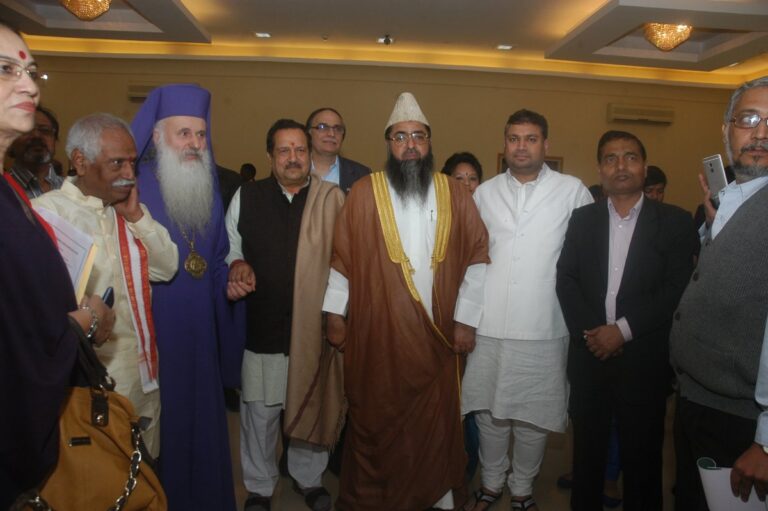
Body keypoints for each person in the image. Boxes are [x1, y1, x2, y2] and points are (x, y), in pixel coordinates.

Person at [323, 92, 489, 510]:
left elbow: (477, 259)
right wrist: (334, 315)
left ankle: (438, 499)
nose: (410, 145)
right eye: (400, 137)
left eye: (418, 136)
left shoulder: (455, 193)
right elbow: (341, 259)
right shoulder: (363, 193)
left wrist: (467, 321)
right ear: (388, 144)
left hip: (439, 334)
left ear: (430, 143)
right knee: (377, 420)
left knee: (438, 426)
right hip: (379, 336)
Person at [0, 21, 114, 509]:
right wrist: (83, 322)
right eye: (6, 69)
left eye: (31, 71)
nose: (28, 84)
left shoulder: (8, 188)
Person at [556, 130, 697, 511]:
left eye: (630, 157)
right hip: (589, 358)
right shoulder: (582, 220)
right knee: (586, 459)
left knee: (643, 462)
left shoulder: (676, 222)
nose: (621, 165)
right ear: (600, 168)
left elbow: (676, 289)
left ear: (644, 168)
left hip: (644, 361)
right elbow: (566, 279)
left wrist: (621, 331)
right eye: (611, 158)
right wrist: (594, 335)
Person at [461, 109, 591, 511]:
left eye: (530, 138)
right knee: (489, 413)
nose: (521, 146)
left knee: (533, 418)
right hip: (489, 323)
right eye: (514, 138)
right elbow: (471, 259)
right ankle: (491, 482)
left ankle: (522, 489)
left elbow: (587, 258)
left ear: (545, 145)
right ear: (504, 144)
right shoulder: (485, 192)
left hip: (545, 325)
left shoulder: (572, 190)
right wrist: (464, 317)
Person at [32, 113, 179, 457]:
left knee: (143, 475)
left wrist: (137, 218)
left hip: (142, 371)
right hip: (83, 380)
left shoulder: (127, 210)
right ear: (80, 162)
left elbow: (167, 267)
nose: (129, 174)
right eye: (117, 164)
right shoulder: (46, 215)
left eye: (132, 162)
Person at [130, 84, 247, 511]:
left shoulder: (207, 185)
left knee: (201, 421)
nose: (196, 144)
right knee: (160, 430)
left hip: (200, 332)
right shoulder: (132, 188)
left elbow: (212, 259)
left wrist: (232, 277)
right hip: (154, 335)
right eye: (184, 134)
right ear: (158, 136)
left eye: (201, 134)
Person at [225, 119, 345, 511]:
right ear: (269, 157)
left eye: (300, 150)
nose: (293, 158)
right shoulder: (248, 196)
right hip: (263, 325)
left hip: (314, 329)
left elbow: (346, 262)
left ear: (310, 155)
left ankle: (309, 479)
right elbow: (230, 245)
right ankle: (259, 486)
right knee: (260, 412)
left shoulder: (331, 199)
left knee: (311, 406)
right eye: (284, 150)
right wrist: (236, 264)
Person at [670, 75, 768, 510]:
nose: (761, 133)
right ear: (726, 129)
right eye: (749, 119)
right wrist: (714, 226)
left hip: (744, 423)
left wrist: (766, 443)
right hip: (699, 401)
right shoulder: (735, 197)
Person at [305, 107, 370, 193]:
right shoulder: (294, 169)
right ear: (308, 133)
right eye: (323, 127)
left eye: (337, 129)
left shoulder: (362, 174)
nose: (331, 134)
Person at [7, 104, 62, 197]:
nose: (37, 136)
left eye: (45, 130)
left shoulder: (74, 189)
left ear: (55, 140)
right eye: (27, 130)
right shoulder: (4, 191)